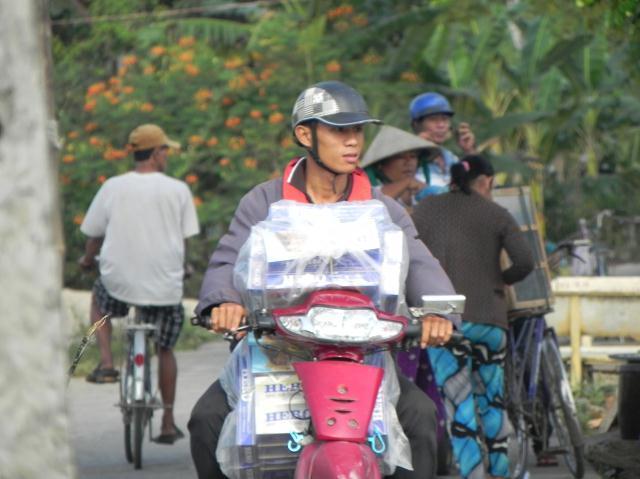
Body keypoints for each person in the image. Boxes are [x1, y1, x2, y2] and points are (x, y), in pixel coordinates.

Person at [188, 81, 459, 479]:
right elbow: (229, 258)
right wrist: (223, 301)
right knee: (205, 421)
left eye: (357, 131)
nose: (352, 142)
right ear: (305, 134)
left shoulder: (382, 208)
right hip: (274, 354)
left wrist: (439, 310)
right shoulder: (264, 202)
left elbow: (418, 261)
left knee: (421, 419)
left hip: (362, 357)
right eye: (338, 131)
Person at [411, 155, 534, 479]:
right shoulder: (496, 213)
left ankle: (473, 475)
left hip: (445, 324)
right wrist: (499, 281)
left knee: (458, 404)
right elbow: (524, 261)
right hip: (490, 321)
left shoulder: (423, 211)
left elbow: (406, 259)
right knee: (492, 400)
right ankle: (501, 472)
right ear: (486, 181)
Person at [79, 123, 200, 444]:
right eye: (166, 150)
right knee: (166, 348)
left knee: (98, 300)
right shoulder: (178, 190)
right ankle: (168, 421)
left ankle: (106, 364)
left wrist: (87, 260)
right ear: (158, 153)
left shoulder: (112, 187)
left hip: (118, 282)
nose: (167, 156)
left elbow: (93, 236)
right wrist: (183, 266)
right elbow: (185, 241)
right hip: (163, 288)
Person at [360, 124, 440, 209]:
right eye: (400, 157)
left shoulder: (424, 190)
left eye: (413, 156)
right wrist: (407, 182)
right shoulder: (368, 192)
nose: (408, 162)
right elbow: (375, 203)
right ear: (380, 165)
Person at [409, 92, 477, 188]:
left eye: (445, 119)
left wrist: (469, 150)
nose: (441, 125)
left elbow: (479, 184)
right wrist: (417, 150)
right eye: (433, 119)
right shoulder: (406, 159)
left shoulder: (450, 158)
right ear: (416, 124)